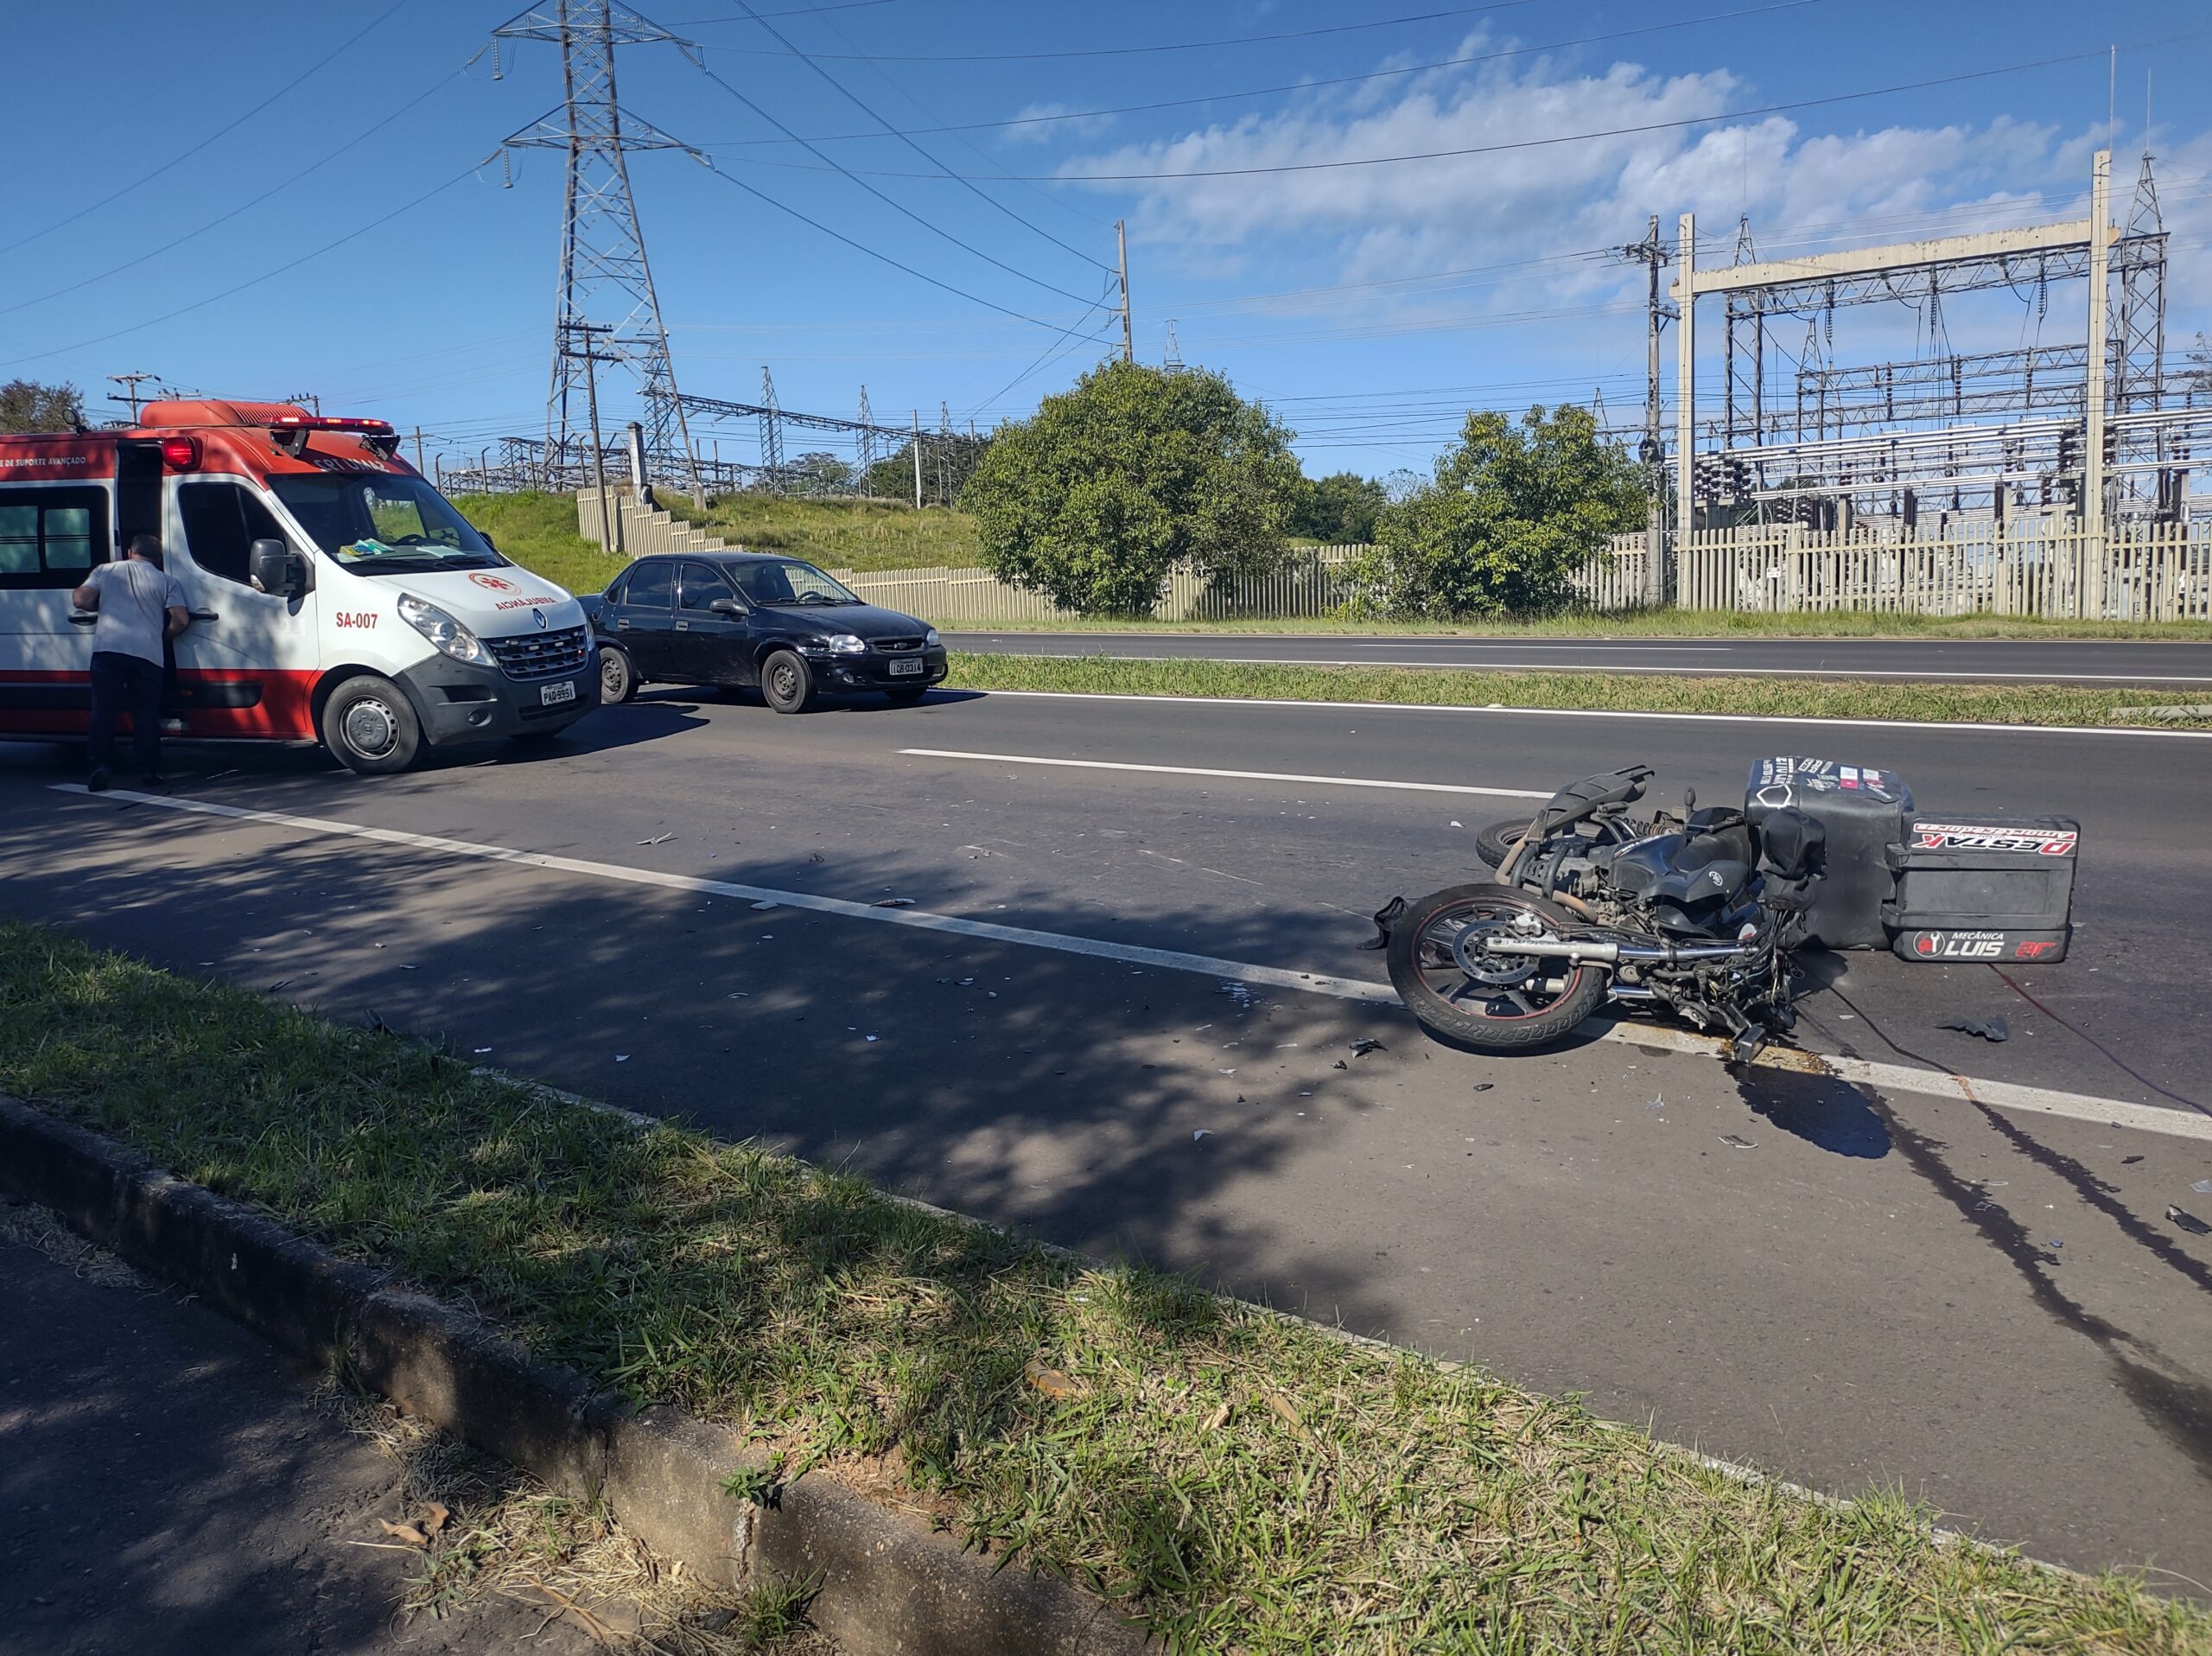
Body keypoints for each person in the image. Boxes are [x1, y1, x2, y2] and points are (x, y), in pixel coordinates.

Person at [71, 533, 189, 793]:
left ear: (129, 552)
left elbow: (81, 599)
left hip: (108, 650)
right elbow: (180, 620)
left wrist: (101, 605)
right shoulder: (167, 580)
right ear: (159, 558)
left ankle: (100, 766)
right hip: (147, 654)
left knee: (103, 712)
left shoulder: (106, 571)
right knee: (146, 713)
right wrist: (162, 635)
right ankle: (148, 770)